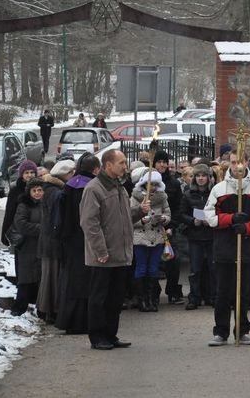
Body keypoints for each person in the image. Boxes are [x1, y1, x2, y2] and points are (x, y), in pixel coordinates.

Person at [80, 150, 149, 350]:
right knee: (99, 298)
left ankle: (111, 334)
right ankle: (98, 336)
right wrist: (100, 250)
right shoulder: (94, 189)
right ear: (108, 165)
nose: (125, 166)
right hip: (103, 256)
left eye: (125, 162)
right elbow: (90, 223)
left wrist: (138, 212)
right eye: (121, 162)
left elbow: (123, 217)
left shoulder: (119, 187)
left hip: (121, 254)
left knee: (115, 298)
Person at [204, 147, 250, 346]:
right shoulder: (219, 189)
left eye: (241, 162)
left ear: (247, 163)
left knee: (243, 292)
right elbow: (210, 216)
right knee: (222, 292)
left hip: (247, 247)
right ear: (229, 164)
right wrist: (231, 219)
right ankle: (221, 331)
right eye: (233, 162)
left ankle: (242, 330)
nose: (237, 166)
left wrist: (247, 228)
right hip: (224, 248)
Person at [56, 153, 101, 334]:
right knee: (86, 281)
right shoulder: (91, 188)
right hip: (86, 238)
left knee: (73, 280)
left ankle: (70, 320)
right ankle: (83, 321)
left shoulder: (69, 186)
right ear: (96, 169)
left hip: (70, 238)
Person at [36, 159, 75, 324]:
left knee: (49, 276)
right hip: (53, 241)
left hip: (48, 240)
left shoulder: (50, 190)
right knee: (52, 277)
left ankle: (47, 309)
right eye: (71, 173)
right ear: (65, 174)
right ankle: (50, 310)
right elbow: (57, 220)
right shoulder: (56, 193)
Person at [131, 170, 171, 312]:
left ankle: (152, 299)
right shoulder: (135, 197)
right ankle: (142, 300)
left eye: (155, 184)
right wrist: (141, 220)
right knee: (141, 267)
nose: (152, 187)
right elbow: (130, 217)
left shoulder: (162, 197)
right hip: (140, 237)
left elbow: (168, 214)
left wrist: (163, 219)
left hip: (157, 236)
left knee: (154, 268)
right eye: (150, 184)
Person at [179, 164, 215, 310]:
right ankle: (194, 297)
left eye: (203, 175)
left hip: (211, 235)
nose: (201, 178)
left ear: (208, 177)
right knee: (195, 269)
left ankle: (211, 296)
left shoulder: (214, 193)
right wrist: (192, 221)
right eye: (198, 175)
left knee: (212, 268)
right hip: (195, 236)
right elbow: (181, 213)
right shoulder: (188, 194)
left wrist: (211, 220)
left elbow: (218, 210)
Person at [153, 150, 185, 305]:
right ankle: (153, 293)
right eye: (159, 161)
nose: (162, 165)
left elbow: (178, 207)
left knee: (173, 261)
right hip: (151, 228)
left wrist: (172, 226)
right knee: (153, 262)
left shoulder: (173, 183)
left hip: (169, 227)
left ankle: (173, 291)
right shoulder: (149, 180)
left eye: (165, 162)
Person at [10, 177, 44, 316]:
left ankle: (40, 308)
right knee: (26, 279)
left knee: (40, 279)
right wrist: (41, 229)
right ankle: (19, 308)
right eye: (34, 190)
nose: (37, 193)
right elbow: (21, 224)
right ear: (29, 192)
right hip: (27, 246)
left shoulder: (45, 205)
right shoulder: (23, 205)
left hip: (41, 246)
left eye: (40, 190)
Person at [1, 160, 38, 248]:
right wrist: (4, 233)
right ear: (22, 174)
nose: (29, 175)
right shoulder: (15, 191)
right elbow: (9, 213)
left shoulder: (40, 188)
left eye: (32, 172)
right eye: (26, 172)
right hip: (20, 232)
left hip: (36, 231)